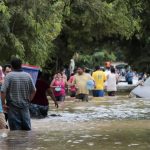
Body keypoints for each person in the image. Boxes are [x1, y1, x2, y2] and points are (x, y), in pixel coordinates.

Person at [1, 58, 36, 131]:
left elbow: (3, 91)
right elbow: (34, 90)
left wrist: (3, 104)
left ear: (12, 66)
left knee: (15, 131)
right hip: (25, 106)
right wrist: (29, 100)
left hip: (12, 107)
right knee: (26, 130)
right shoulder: (27, 76)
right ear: (21, 65)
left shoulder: (9, 76)